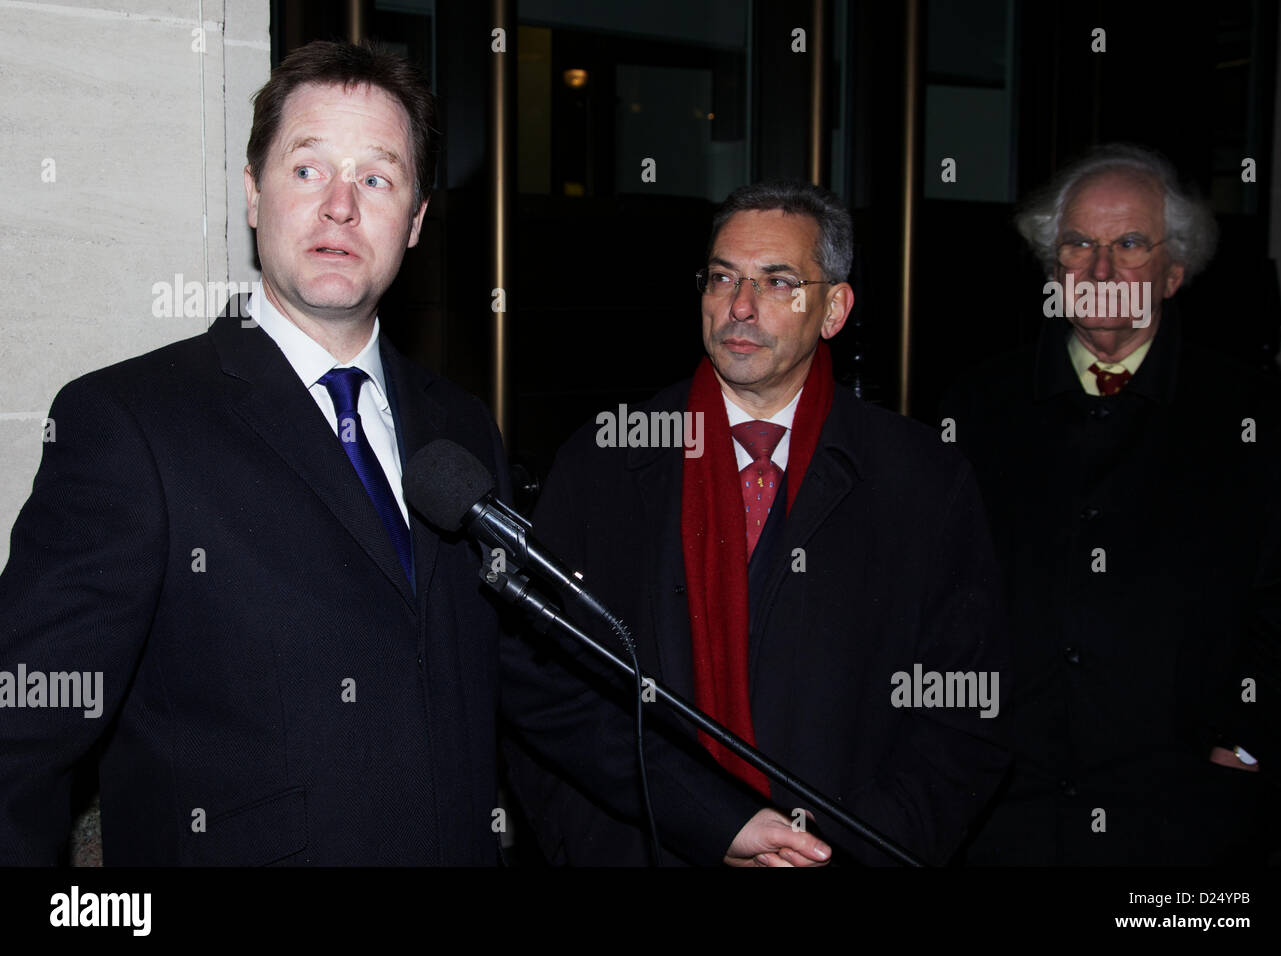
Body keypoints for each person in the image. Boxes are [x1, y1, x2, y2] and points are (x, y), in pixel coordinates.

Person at [0, 42, 826, 867]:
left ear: (417, 219)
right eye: (307, 169)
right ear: (252, 192)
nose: (339, 207)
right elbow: (20, 739)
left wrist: (718, 819)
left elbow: (533, 687)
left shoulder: (457, 429)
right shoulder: (132, 425)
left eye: (377, 179)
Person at [503, 181, 1011, 866]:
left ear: (834, 310)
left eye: (777, 283)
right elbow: (541, 689)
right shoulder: (605, 462)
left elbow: (965, 713)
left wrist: (839, 855)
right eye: (722, 278)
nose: (740, 307)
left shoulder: (921, 481)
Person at [941, 143, 1281, 865]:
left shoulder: (1256, 417)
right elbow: (935, 594)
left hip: (1185, 821)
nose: (1101, 271)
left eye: (1130, 244)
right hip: (1005, 815)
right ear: (1054, 270)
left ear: (1174, 271)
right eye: (1079, 244)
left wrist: (1247, 742)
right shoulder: (975, 407)